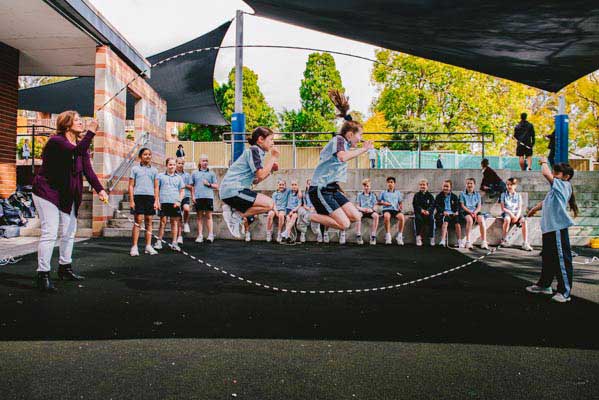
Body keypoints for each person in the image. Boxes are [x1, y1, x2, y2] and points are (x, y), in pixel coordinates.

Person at [31, 111, 108, 292]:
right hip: (46, 191)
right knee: (50, 231)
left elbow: (88, 171)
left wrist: (101, 190)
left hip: (67, 194)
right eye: (77, 120)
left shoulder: (81, 146)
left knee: (69, 231)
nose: (81, 123)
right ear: (66, 124)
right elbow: (75, 151)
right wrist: (91, 132)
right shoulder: (56, 142)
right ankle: (43, 274)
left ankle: (65, 268)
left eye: (82, 121)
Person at [305, 90, 372, 238]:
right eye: (359, 135)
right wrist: (364, 149)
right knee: (344, 225)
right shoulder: (339, 140)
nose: (361, 139)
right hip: (320, 189)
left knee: (356, 216)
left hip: (332, 189)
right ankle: (306, 216)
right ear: (350, 135)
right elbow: (342, 157)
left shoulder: (346, 144)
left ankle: (317, 218)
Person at [526, 160, 578, 303]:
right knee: (548, 258)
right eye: (554, 172)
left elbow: (545, 172)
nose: (554, 175)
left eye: (557, 173)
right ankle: (544, 285)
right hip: (549, 229)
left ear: (566, 176)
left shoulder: (564, 185)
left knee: (562, 260)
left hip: (557, 229)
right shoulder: (556, 188)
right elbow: (546, 202)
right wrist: (534, 209)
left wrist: (543, 161)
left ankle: (564, 291)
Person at [219, 127, 279, 239]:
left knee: (269, 205)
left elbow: (256, 180)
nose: (273, 142)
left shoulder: (257, 152)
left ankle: (233, 212)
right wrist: (273, 158)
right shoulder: (254, 150)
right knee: (269, 204)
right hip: (233, 190)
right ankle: (235, 215)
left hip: (232, 191)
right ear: (261, 139)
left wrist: (270, 170)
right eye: (271, 139)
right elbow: (260, 174)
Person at [128, 148, 159, 257]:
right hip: (138, 197)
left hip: (150, 197)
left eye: (149, 154)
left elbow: (156, 187)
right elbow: (131, 185)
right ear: (140, 156)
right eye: (145, 154)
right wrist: (131, 200)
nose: (148, 156)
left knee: (149, 221)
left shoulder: (154, 170)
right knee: (138, 221)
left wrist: (156, 201)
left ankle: (148, 246)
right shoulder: (135, 169)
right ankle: (134, 247)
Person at [153, 158, 185, 251]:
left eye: (173, 165)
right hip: (164, 202)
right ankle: (159, 242)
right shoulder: (160, 176)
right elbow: (157, 189)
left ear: (176, 166)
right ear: (166, 165)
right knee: (162, 223)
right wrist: (157, 201)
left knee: (174, 223)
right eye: (170, 165)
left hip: (175, 203)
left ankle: (174, 243)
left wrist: (179, 201)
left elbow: (182, 191)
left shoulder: (179, 178)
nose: (172, 167)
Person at [190, 155, 218, 243]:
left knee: (209, 216)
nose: (205, 162)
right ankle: (200, 236)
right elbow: (192, 186)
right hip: (198, 197)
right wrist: (193, 196)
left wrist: (209, 184)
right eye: (203, 161)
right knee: (199, 217)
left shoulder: (211, 173)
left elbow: (216, 186)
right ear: (200, 162)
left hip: (208, 197)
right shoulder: (194, 173)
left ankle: (210, 235)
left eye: (206, 161)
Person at [500, 177, 532, 251]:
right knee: (507, 219)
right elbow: (503, 208)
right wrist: (511, 214)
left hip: (516, 214)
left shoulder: (518, 196)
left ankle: (525, 242)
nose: (509, 186)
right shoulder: (503, 195)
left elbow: (519, 208)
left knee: (524, 221)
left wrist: (517, 216)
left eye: (511, 185)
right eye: (507, 184)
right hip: (508, 213)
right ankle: (504, 239)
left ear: (515, 186)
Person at [459, 178, 488, 249]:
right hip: (466, 211)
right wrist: (470, 212)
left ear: (474, 185)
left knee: (481, 220)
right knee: (469, 220)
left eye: (471, 183)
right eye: (468, 183)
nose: (469, 185)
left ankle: (484, 241)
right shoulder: (462, 194)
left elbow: (479, 206)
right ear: (466, 185)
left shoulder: (477, 195)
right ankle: (468, 242)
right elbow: (462, 206)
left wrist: (475, 212)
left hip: (475, 211)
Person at [435, 179, 462, 247]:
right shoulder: (439, 196)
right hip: (443, 213)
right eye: (444, 186)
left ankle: (459, 241)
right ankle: (443, 240)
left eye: (447, 186)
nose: (445, 188)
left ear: (450, 188)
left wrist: (456, 212)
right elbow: (437, 206)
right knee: (445, 221)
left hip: (452, 213)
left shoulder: (454, 196)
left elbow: (457, 205)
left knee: (457, 222)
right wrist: (443, 211)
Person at [378, 176, 405, 245]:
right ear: (387, 183)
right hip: (386, 209)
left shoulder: (398, 193)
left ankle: (399, 236)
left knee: (402, 217)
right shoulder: (383, 192)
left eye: (391, 182)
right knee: (387, 216)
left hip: (395, 210)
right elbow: (378, 202)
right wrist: (384, 203)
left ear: (394, 183)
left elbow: (400, 202)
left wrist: (400, 207)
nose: (390, 184)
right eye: (388, 182)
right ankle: (388, 236)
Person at [355, 178, 379, 245]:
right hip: (362, 211)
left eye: (367, 186)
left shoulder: (373, 195)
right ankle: (358, 235)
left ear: (370, 187)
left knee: (376, 216)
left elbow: (375, 206)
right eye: (365, 186)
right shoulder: (359, 195)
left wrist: (372, 209)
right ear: (363, 187)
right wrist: (362, 209)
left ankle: (373, 235)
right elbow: (357, 206)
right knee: (358, 215)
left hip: (370, 210)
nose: (366, 187)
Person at [297, 178, 321, 243]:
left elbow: (318, 203)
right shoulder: (305, 193)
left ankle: (318, 233)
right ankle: (303, 233)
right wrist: (307, 208)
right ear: (306, 185)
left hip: (314, 209)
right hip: (307, 208)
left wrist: (313, 208)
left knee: (314, 217)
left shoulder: (316, 193)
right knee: (302, 214)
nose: (310, 186)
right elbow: (304, 203)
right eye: (308, 184)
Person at [412, 179, 436, 247]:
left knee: (431, 220)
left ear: (427, 186)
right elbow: (415, 204)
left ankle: (431, 237)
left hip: (428, 213)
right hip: (419, 212)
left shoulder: (430, 196)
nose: (422, 186)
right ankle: (418, 237)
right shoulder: (416, 195)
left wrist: (428, 211)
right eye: (421, 185)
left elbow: (432, 205)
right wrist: (421, 210)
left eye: (424, 185)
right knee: (418, 219)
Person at [175, 157, 193, 243]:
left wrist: (183, 184)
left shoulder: (187, 175)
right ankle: (179, 236)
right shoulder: (173, 174)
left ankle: (186, 223)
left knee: (186, 209)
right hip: (176, 196)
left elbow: (191, 187)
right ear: (176, 164)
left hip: (185, 196)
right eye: (179, 163)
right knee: (178, 217)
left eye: (182, 163)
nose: (180, 165)